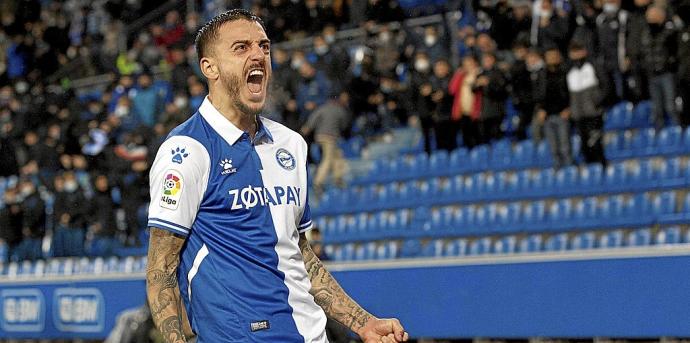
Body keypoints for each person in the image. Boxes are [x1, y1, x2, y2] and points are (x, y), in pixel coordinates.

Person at [145, 9, 408, 343]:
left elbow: (299, 253)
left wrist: (362, 322)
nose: (258, 55)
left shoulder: (291, 144)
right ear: (209, 67)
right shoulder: (186, 150)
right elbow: (160, 270)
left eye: (264, 46)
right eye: (241, 48)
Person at [566, 42, 608, 166]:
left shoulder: (592, 66)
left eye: (578, 51)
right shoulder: (570, 72)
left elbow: (605, 86)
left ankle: (601, 168)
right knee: (584, 146)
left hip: (594, 113)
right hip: (579, 116)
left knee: (595, 143)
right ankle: (591, 171)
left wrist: (597, 102)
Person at [302, 92, 351, 193]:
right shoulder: (339, 109)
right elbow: (345, 124)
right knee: (328, 158)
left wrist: (307, 128)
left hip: (320, 136)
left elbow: (313, 119)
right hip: (331, 137)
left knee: (337, 156)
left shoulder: (322, 108)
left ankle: (338, 178)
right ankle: (318, 182)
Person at [641, 6, 679, 129]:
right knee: (657, 109)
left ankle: (677, 132)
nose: (649, 19)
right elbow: (644, 51)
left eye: (652, 16)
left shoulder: (670, 29)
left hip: (667, 73)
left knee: (671, 106)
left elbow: (673, 49)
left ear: (660, 16)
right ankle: (660, 137)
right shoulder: (646, 32)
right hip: (652, 74)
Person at [536, 48, 572, 168]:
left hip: (562, 113)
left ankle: (569, 169)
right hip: (547, 115)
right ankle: (558, 170)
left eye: (554, 56)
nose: (552, 58)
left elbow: (570, 92)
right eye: (549, 56)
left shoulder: (565, 72)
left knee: (565, 146)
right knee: (553, 147)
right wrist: (541, 109)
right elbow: (539, 94)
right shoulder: (542, 74)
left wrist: (568, 108)